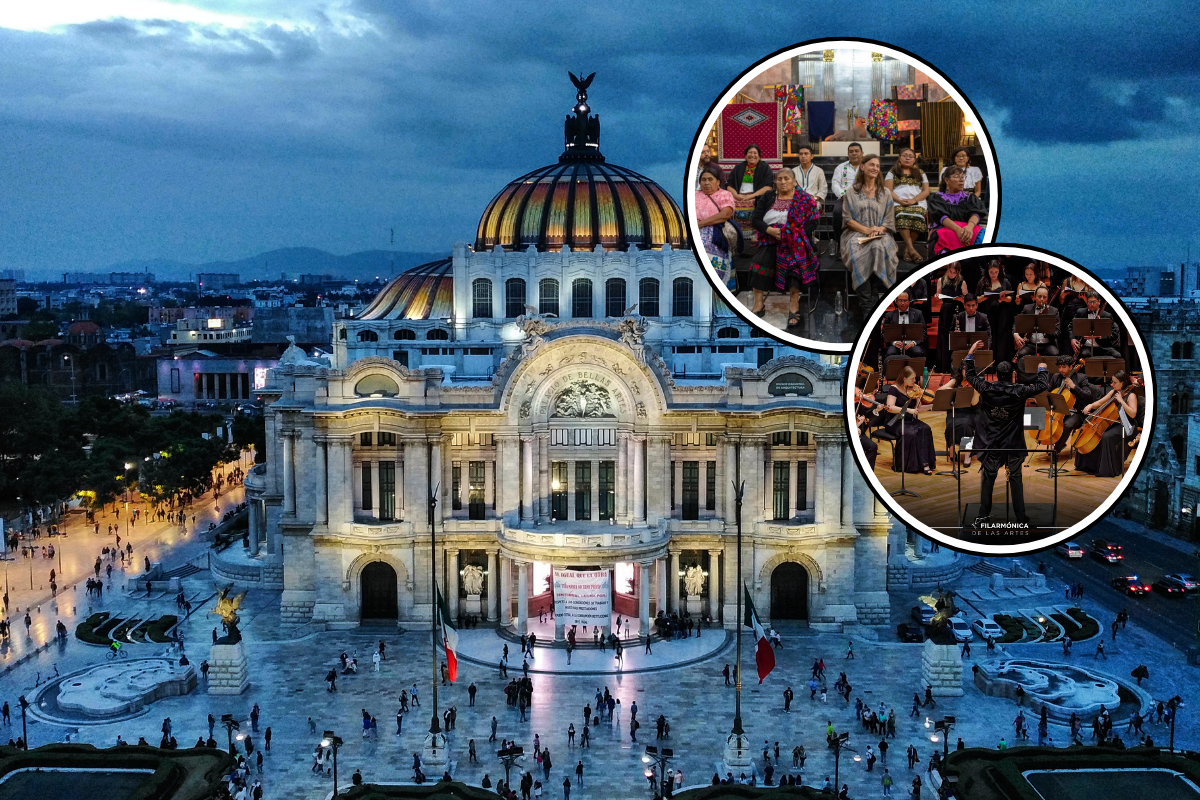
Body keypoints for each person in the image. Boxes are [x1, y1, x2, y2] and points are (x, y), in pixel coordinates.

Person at [962, 339, 1050, 525]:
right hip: (1012, 443)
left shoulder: (986, 387)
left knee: (988, 479)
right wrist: (1042, 368)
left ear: (996, 375)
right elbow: (1041, 386)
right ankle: (1020, 517)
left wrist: (971, 351)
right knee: (1016, 478)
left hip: (990, 442)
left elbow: (969, 375)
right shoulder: (1020, 390)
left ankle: (984, 514)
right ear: (1013, 375)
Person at [748, 167, 821, 329]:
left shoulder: (805, 199)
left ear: (795, 182)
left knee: (794, 267)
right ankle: (759, 305)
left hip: (795, 243)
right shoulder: (768, 196)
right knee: (758, 263)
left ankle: (793, 306)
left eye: (787, 178)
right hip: (770, 238)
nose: (783, 182)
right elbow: (756, 220)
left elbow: (813, 222)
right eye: (779, 179)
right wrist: (770, 231)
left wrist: (793, 234)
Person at [840, 154, 898, 310]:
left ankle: (873, 298)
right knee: (858, 250)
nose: (875, 168)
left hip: (881, 233)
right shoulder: (851, 191)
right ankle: (867, 303)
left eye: (878, 166)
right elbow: (847, 219)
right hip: (855, 233)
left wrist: (879, 229)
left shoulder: (885, 192)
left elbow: (889, 220)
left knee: (878, 247)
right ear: (862, 167)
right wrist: (867, 230)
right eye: (871, 165)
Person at [1075, 371, 1141, 477]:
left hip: (1126, 424)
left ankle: (1107, 469)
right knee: (1094, 434)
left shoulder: (1131, 395)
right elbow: (1101, 402)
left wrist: (1121, 401)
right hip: (1114, 422)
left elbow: (1133, 414)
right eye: (1112, 382)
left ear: (1123, 383)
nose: (1112, 385)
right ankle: (1091, 466)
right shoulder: (1114, 391)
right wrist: (1091, 405)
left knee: (1106, 436)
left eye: (1115, 383)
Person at [884, 366, 937, 475]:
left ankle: (925, 463)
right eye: (912, 379)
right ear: (904, 378)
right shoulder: (894, 389)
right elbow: (890, 407)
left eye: (915, 378)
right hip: (895, 421)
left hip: (910, 420)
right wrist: (908, 410)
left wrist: (918, 396)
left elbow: (917, 407)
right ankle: (909, 465)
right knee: (911, 434)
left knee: (926, 428)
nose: (914, 381)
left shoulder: (913, 389)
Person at [1047, 355, 1101, 459]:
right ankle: (1053, 441)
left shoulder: (1081, 377)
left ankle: (1056, 449)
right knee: (1050, 422)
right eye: (1059, 367)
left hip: (1076, 412)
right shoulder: (1055, 377)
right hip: (1059, 411)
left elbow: (1088, 395)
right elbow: (1049, 392)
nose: (1061, 370)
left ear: (1071, 366)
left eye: (1063, 367)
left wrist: (1074, 387)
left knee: (1067, 425)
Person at [927, 166, 986, 257]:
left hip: (967, 231)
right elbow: (942, 217)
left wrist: (969, 228)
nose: (961, 180)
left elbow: (976, 213)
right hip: (945, 231)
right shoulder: (936, 198)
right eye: (956, 177)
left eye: (962, 177)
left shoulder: (969, 197)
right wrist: (958, 230)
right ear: (947, 180)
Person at [695, 166, 737, 290]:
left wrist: (700, 224)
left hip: (716, 236)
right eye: (703, 180)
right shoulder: (694, 195)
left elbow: (725, 214)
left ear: (718, 182)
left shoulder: (724, 195)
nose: (707, 183)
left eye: (710, 179)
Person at [884, 148, 930, 263]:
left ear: (914, 159)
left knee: (919, 215)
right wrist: (900, 200)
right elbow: (888, 190)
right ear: (899, 158)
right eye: (904, 155)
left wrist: (914, 200)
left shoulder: (921, 173)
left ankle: (907, 249)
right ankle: (912, 250)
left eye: (910, 156)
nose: (908, 158)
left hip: (917, 201)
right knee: (901, 213)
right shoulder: (892, 172)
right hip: (897, 201)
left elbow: (926, 191)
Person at [1013, 286, 1060, 383]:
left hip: (1047, 344)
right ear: (1034, 297)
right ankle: (1024, 382)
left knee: (1054, 353)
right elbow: (1016, 324)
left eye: (1044, 297)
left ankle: (1050, 383)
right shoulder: (1027, 308)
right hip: (1031, 344)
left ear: (1048, 298)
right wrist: (1016, 334)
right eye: (1039, 296)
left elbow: (1057, 332)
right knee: (1022, 354)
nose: (1042, 299)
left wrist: (1045, 330)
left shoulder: (1054, 311)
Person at [829, 143, 863, 258]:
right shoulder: (841, 167)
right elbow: (835, 183)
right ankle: (840, 243)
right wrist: (843, 195)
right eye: (851, 151)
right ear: (848, 154)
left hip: (863, 198)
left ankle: (863, 244)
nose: (854, 153)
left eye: (856, 151)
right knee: (837, 212)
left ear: (862, 153)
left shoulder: (866, 166)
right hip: (844, 198)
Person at [975, 261, 1013, 362]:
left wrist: (1003, 299)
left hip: (1002, 313)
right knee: (989, 336)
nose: (993, 274)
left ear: (999, 271)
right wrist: (983, 297)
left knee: (1001, 337)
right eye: (991, 272)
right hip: (987, 313)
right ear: (987, 271)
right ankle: (988, 363)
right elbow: (976, 299)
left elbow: (1010, 298)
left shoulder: (1005, 281)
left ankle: (1001, 362)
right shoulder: (982, 282)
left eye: (996, 272)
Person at [934, 262, 969, 372]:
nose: (952, 274)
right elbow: (937, 295)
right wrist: (937, 296)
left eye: (954, 272)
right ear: (948, 270)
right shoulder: (941, 280)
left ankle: (957, 366)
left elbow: (967, 298)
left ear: (958, 272)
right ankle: (943, 366)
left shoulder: (962, 282)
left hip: (957, 310)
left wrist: (960, 299)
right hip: (945, 310)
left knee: (955, 338)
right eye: (950, 271)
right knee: (944, 337)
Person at [1070, 291, 1121, 359]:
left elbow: (1114, 335)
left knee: (1117, 355)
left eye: (1094, 302)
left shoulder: (1107, 315)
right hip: (1086, 346)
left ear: (1099, 302)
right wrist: (1072, 339)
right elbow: (1071, 326)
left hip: (1103, 346)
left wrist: (1098, 336)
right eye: (1089, 302)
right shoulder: (1080, 312)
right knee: (1084, 355)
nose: (1092, 304)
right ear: (1087, 302)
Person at [881, 290, 926, 364]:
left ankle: (916, 375)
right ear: (896, 301)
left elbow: (923, 333)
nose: (902, 303)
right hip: (895, 345)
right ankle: (893, 375)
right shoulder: (889, 315)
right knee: (890, 353)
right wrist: (894, 343)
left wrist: (913, 343)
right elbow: (884, 334)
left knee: (918, 352)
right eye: (900, 300)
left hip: (911, 344)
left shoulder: (918, 314)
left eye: (905, 300)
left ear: (909, 301)